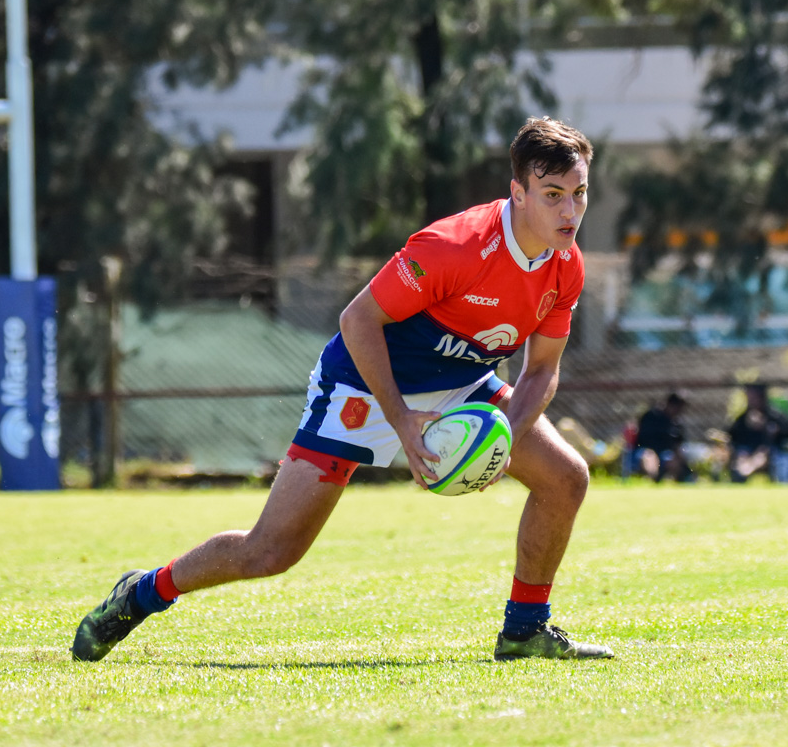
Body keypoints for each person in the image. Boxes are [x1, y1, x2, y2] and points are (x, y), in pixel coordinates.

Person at [70, 117, 613, 663]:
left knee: (565, 479)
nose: (570, 212)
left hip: (460, 383)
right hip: (364, 384)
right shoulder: (455, 247)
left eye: (579, 193)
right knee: (271, 551)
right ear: (517, 193)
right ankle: (142, 593)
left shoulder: (565, 265)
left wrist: (501, 439)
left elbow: (541, 369)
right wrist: (401, 419)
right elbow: (357, 321)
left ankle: (524, 630)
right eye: (552, 195)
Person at [728, 383, 788, 483]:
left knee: (762, 455)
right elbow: (733, 436)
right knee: (742, 455)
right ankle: (745, 469)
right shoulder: (743, 418)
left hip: (769, 452)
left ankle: (749, 467)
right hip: (747, 452)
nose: (752, 400)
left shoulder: (774, 416)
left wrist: (766, 426)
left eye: (755, 397)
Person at [632, 391, 691, 481]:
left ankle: (676, 481)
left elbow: (678, 443)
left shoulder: (676, 423)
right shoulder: (652, 416)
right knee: (649, 457)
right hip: (646, 450)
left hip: (665, 452)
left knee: (673, 460)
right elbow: (643, 438)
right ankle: (652, 481)